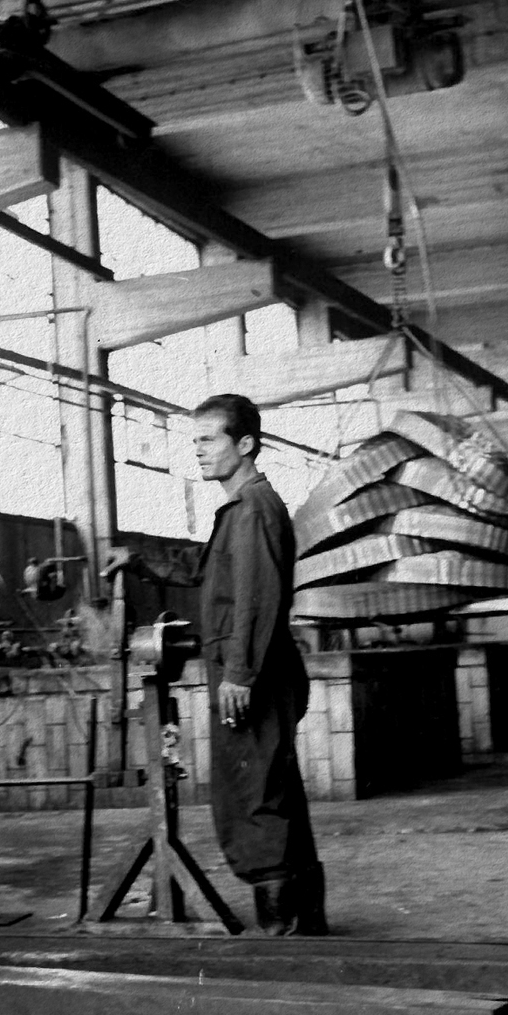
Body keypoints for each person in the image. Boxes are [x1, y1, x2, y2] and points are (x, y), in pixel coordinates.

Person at [103, 394, 327, 935]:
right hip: (254, 670)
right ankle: (303, 924)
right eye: (194, 440)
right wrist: (138, 558)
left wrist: (240, 675)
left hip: (252, 675)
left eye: (209, 439)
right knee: (273, 789)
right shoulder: (242, 509)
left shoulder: (253, 509)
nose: (198, 451)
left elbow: (256, 598)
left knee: (252, 796)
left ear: (244, 444)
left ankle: (282, 931)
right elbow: (207, 568)